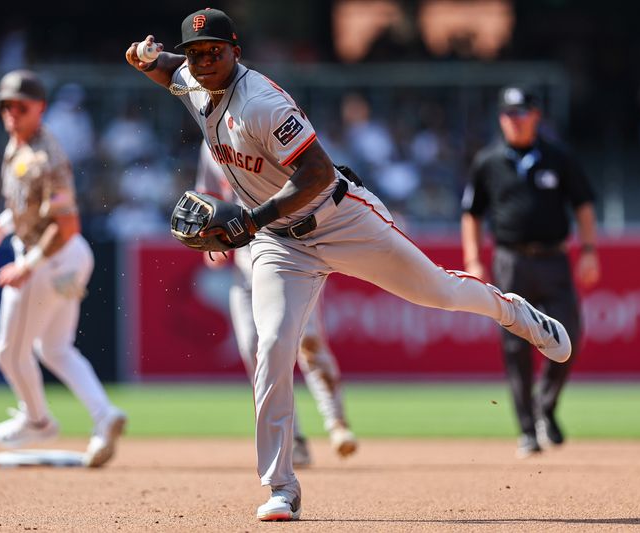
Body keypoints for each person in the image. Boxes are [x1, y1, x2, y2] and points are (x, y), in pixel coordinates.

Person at [126, 10, 571, 521]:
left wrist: (251, 220)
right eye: (197, 53)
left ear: (236, 51)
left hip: (339, 218)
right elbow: (170, 68)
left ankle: (514, 312)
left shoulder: (263, 103)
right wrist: (146, 60)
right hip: (279, 243)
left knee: (439, 292)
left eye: (215, 51)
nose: (204, 61)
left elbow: (315, 173)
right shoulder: (193, 76)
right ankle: (281, 486)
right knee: (271, 345)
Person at [0, 69, 127, 468]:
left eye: (20, 106)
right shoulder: (19, 145)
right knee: (54, 347)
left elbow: (67, 224)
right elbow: (24, 206)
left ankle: (37, 420)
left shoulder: (45, 157)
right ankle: (104, 415)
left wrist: (28, 263)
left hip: (52, 257)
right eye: (5, 106)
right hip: (68, 258)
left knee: (7, 351)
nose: (11, 113)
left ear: (40, 108)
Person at [195, 143, 358, 467]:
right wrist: (206, 239)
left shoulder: (266, 125)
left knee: (307, 341)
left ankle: (336, 421)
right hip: (245, 264)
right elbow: (208, 192)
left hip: (290, 254)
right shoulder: (210, 139)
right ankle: (292, 439)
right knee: (254, 350)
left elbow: (312, 179)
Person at [461, 85, 600, 459]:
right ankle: (527, 429)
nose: (513, 120)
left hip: (554, 259)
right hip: (511, 261)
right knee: (514, 346)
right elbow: (472, 213)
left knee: (569, 337)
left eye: (520, 113)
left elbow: (584, 204)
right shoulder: (488, 161)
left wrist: (588, 250)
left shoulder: (558, 157)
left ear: (536, 115)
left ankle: (546, 408)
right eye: (508, 114)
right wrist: (473, 259)